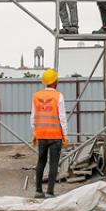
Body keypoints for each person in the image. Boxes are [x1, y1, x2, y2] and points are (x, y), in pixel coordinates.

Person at [31, 68, 68, 198]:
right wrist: (65, 136)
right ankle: (50, 192)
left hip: (41, 135)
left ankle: (38, 191)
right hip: (55, 135)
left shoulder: (36, 96)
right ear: (54, 82)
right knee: (53, 163)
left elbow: (33, 116)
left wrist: (34, 133)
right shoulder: (58, 96)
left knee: (41, 161)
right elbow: (62, 117)